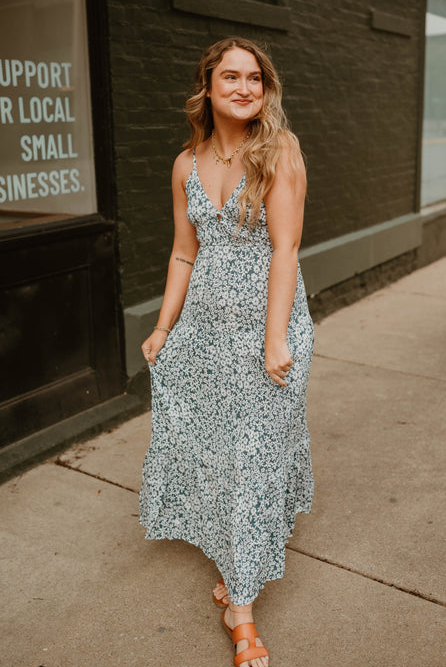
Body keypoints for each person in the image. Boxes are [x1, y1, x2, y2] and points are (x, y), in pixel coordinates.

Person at [139, 37, 314, 667]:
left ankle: (240, 612)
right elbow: (184, 252)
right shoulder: (186, 163)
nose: (244, 88)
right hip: (205, 335)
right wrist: (164, 326)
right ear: (207, 88)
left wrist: (274, 338)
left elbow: (285, 250)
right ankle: (239, 561)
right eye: (230, 77)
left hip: (266, 330)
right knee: (218, 456)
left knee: (252, 457)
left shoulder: (279, 151)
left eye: (255, 78)